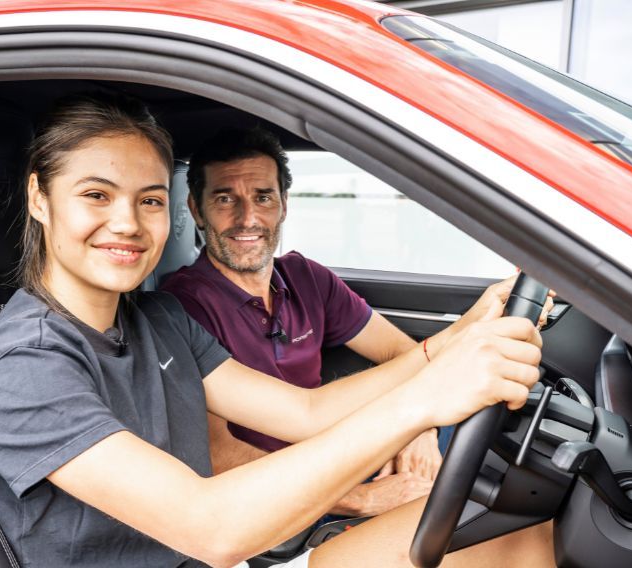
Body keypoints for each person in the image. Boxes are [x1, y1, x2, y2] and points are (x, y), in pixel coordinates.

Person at [0, 96, 554, 567]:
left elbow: (306, 413)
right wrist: (422, 403)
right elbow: (211, 526)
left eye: (149, 200)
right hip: (221, 545)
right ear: (39, 198)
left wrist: (450, 343)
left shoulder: (158, 320)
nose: (127, 223)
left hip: (240, 554)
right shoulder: (21, 367)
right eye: (95, 195)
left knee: (524, 533)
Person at [161, 127, 551, 518]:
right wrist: (361, 500)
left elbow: (399, 352)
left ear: (284, 205)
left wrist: (418, 429)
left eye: (263, 197)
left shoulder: (306, 277)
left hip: (351, 452)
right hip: (278, 499)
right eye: (225, 198)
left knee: (504, 468)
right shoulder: (182, 307)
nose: (247, 218)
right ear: (197, 209)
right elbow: (220, 456)